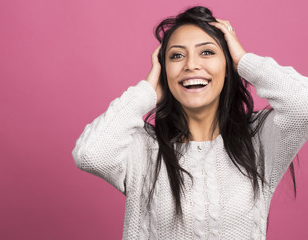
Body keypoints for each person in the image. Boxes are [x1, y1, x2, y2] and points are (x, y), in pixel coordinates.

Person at [72, 6, 308, 239]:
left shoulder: (259, 141)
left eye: (207, 52)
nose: (191, 65)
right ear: (164, 72)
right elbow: (90, 155)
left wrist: (244, 61)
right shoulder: (143, 149)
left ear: (227, 66)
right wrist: (145, 92)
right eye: (177, 55)